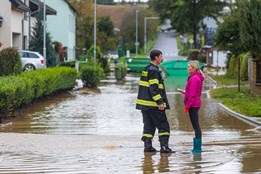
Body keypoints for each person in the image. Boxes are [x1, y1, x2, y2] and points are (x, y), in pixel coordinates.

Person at [136, 49, 173, 153]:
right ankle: (164, 147)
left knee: (149, 125)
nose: (162, 58)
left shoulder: (147, 68)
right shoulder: (154, 70)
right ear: (156, 57)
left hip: (144, 105)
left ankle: (148, 147)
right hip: (153, 105)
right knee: (163, 125)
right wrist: (160, 102)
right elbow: (154, 88)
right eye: (161, 56)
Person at [178, 60, 205, 153]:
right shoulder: (195, 77)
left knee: (196, 126)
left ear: (194, 69)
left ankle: (197, 148)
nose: (187, 68)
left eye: (189, 67)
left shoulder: (194, 79)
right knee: (196, 126)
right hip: (195, 103)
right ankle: (197, 147)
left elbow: (192, 95)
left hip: (193, 105)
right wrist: (184, 92)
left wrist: (187, 108)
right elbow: (193, 92)